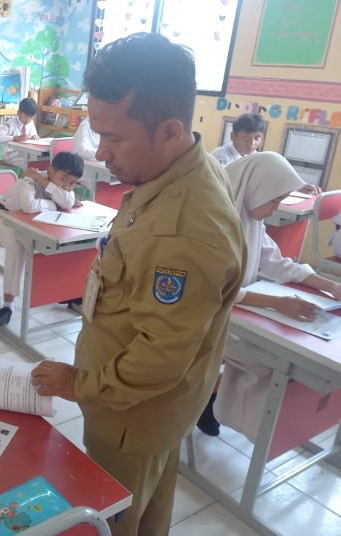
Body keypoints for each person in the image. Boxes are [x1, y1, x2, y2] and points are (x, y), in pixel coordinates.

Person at [30, 33, 245, 536]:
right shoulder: (181, 170)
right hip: (149, 409)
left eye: (115, 138)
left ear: (169, 131)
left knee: (115, 520)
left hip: (130, 413)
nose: (101, 153)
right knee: (147, 512)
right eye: (96, 134)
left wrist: (79, 384)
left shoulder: (184, 229)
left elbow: (160, 357)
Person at [201, 152, 341, 440]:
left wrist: (329, 285)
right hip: (204, 320)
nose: (276, 208)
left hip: (237, 313)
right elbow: (213, 289)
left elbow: (278, 263)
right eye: (275, 200)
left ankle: (217, 397)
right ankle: (213, 396)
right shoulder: (211, 224)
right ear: (255, 189)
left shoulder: (251, 220)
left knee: (280, 356)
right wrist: (278, 303)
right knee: (270, 361)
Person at [0, 152, 83, 326]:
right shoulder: (29, 180)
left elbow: (68, 203)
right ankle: (7, 307)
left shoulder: (58, 184)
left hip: (34, 222)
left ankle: (67, 291)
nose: (67, 186)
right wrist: (54, 204)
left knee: (66, 241)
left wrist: (48, 185)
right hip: (3, 218)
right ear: (50, 170)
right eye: (63, 179)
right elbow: (28, 206)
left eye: (72, 183)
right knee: (17, 247)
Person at [0, 97, 39, 168]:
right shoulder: (10, 124)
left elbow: (34, 135)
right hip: (10, 155)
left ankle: (31, 174)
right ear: (19, 113)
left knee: (39, 160)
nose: (27, 120)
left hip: (25, 153)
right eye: (25, 117)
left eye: (30, 117)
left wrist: (35, 137)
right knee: (30, 164)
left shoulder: (31, 123)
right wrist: (15, 138)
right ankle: (29, 174)